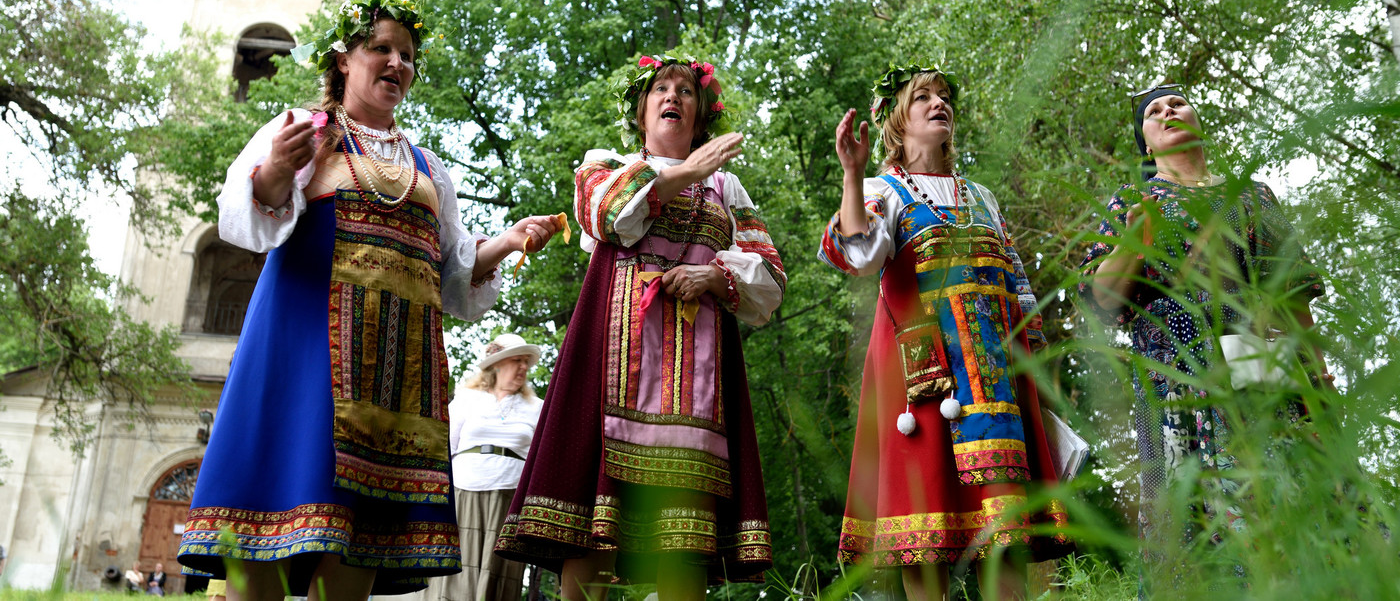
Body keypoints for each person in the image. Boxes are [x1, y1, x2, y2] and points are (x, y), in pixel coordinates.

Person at [175, 0, 561, 600]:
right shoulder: (302, 131)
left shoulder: (429, 168)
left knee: (355, 545)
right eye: (380, 47)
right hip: (304, 359)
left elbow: (453, 278)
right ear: (343, 59)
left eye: (406, 55)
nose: (396, 62)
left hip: (393, 383)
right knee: (268, 530)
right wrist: (277, 167)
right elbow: (246, 221)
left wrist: (506, 242)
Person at [495, 55, 785, 600]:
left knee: (683, 539)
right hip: (612, 369)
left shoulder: (727, 188)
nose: (672, 96)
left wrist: (714, 274)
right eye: (660, 88)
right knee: (593, 536)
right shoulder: (606, 164)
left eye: (686, 91)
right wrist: (688, 171)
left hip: (694, 391)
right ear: (641, 110)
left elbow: (770, 275)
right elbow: (605, 214)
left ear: (700, 117)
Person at [819, 63, 1071, 601]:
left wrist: (1038, 386)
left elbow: (1020, 293)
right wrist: (851, 173)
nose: (939, 104)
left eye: (944, 97)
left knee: (1004, 538)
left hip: (996, 384)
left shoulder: (982, 197)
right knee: (925, 535)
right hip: (923, 382)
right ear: (895, 121)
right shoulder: (882, 192)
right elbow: (859, 255)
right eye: (922, 98)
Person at [1077, 83, 1326, 584]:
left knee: (1297, 512)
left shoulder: (1252, 195)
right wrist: (1135, 240)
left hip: (1266, 382)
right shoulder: (1132, 200)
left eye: (1177, 103)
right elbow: (1101, 299)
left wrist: (1321, 388)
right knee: (1192, 533)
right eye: (1153, 111)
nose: (1168, 110)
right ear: (1146, 144)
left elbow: (1295, 299)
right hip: (1176, 393)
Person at [424, 333, 545, 601]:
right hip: (463, 491)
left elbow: (541, 458)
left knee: (497, 571)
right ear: (497, 365)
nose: (524, 367)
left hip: (510, 495)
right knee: (460, 571)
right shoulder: (467, 398)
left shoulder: (537, 407)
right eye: (517, 360)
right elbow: (447, 446)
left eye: (527, 362)